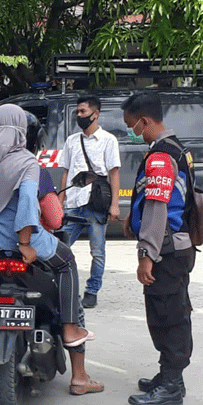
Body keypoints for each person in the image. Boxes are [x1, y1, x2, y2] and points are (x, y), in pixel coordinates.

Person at [0, 104, 103, 396]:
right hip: (20, 243)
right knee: (67, 262)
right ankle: (70, 332)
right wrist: (25, 243)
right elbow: (32, 204)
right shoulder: (27, 163)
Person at [122, 91, 196, 405]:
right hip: (177, 247)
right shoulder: (175, 148)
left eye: (131, 125)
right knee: (170, 312)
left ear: (145, 121)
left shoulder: (161, 156)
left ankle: (171, 386)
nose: (130, 130)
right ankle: (167, 375)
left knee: (168, 316)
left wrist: (146, 256)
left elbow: (157, 208)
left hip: (166, 250)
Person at [57, 95, 121, 308]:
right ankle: (60, 286)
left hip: (96, 203)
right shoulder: (71, 141)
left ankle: (92, 291)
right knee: (60, 246)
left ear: (96, 114)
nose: (79, 115)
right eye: (77, 112)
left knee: (98, 251)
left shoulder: (108, 140)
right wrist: (60, 200)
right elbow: (66, 172)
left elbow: (113, 174)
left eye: (83, 112)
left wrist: (114, 205)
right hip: (74, 203)